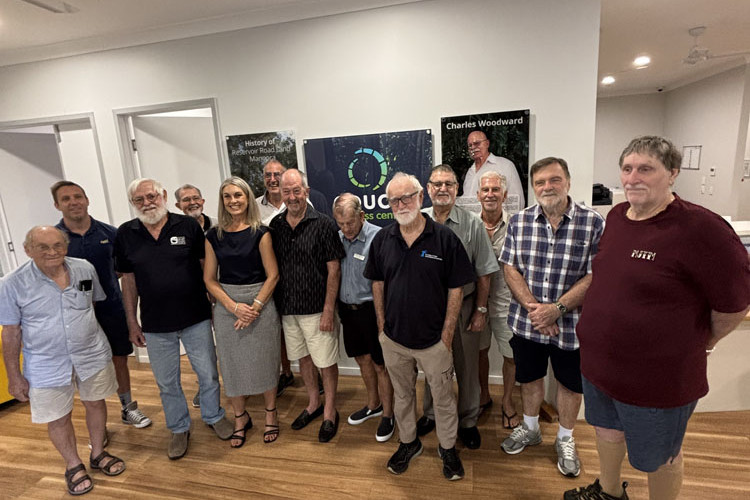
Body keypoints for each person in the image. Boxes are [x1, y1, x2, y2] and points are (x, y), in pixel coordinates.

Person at [565, 136, 750, 500]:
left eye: (646, 169)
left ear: (673, 174)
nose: (633, 178)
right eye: (627, 168)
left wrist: (701, 342)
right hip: (600, 367)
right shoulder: (617, 217)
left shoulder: (702, 229)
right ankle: (609, 491)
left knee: (659, 457)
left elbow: (733, 307)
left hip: (657, 379)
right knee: (606, 433)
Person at [364, 172, 475, 481]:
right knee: (402, 396)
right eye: (394, 199)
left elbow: (456, 288)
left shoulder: (444, 238)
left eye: (407, 197)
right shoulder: (383, 239)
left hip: (434, 341)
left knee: (443, 398)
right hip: (395, 339)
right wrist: (382, 327)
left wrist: (447, 334)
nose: (401, 204)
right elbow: (377, 282)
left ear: (420, 198)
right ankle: (408, 443)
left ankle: (448, 448)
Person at [0, 226, 126, 496]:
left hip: (91, 352)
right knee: (57, 416)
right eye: (43, 247)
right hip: (46, 362)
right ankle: (73, 464)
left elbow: (90, 304)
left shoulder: (84, 269)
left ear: (66, 246)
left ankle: (98, 452)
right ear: (27, 250)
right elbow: (10, 332)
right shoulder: (12, 283)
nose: (52, 251)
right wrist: (14, 375)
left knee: (96, 402)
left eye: (58, 245)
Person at [499, 157, 604, 478]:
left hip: (572, 326)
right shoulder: (519, 221)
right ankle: (530, 429)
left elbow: (596, 274)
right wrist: (536, 309)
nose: (547, 187)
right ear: (534, 187)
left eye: (554, 180)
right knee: (529, 378)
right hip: (528, 323)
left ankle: (565, 438)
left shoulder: (593, 222)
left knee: (570, 385)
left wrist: (556, 309)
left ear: (568, 182)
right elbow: (510, 267)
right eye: (540, 182)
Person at [114, 178, 233, 460]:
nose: (147, 203)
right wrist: (132, 322)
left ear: (163, 195)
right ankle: (179, 428)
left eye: (152, 196)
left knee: (208, 374)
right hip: (155, 325)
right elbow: (128, 282)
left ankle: (214, 415)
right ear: (133, 204)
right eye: (140, 200)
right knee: (167, 382)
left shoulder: (188, 226)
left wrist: (215, 307)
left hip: (196, 316)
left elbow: (207, 270)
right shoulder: (126, 234)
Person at [52, 181, 152, 430]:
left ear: (87, 200)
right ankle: (97, 425)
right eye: (66, 199)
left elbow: (123, 270)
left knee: (119, 358)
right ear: (57, 205)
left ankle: (128, 408)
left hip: (111, 308)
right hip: (74, 315)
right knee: (84, 367)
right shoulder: (55, 239)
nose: (73, 202)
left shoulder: (111, 233)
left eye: (78, 196)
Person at [416, 165, 499, 450]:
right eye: (436, 184)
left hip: (464, 308)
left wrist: (480, 311)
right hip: (428, 310)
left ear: (457, 189)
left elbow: (485, 272)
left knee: (467, 368)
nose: (442, 189)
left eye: (448, 184)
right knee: (431, 366)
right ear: (427, 189)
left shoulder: (472, 224)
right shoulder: (417, 221)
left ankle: (467, 421)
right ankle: (429, 413)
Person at [203, 177, 281, 448]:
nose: (233, 200)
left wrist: (255, 308)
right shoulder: (213, 235)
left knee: (267, 362)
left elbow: (273, 275)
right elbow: (210, 279)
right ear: (222, 201)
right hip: (227, 306)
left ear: (248, 198)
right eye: (227, 196)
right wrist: (234, 307)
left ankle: (271, 414)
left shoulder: (262, 232)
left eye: (238, 195)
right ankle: (240, 417)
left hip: (261, 302)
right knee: (231, 366)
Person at [269, 169, 345, 443]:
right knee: (303, 359)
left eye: (296, 191)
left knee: (326, 362)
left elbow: (334, 270)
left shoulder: (324, 224)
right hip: (288, 309)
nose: (291, 197)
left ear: (307, 192)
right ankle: (313, 403)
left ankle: (328, 411)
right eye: (286, 192)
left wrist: (328, 309)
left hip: (317, 309)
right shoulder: (275, 226)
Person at [256, 159, 324, 396]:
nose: (272, 179)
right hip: (279, 292)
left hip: (311, 297)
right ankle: (294, 381)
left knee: (320, 353)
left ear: (304, 191)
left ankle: (320, 391)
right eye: (268, 175)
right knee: (290, 345)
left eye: (277, 174)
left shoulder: (314, 214)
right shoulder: (260, 212)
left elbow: (329, 266)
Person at [332, 193, 395, 442]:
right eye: (341, 224)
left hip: (373, 310)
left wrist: (383, 319)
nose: (346, 229)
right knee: (361, 359)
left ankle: (389, 414)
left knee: (381, 364)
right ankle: (373, 404)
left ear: (361, 215)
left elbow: (386, 279)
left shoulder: (378, 237)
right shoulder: (337, 238)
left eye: (350, 223)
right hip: (348, 310)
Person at [475, 172, 520, 429]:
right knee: (480, 353)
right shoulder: (470, 224)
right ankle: (483, 396)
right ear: (478, 195)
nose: (490, 194)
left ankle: (508, 402)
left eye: (495, 190)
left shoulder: (517, 225)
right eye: (485, 190)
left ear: (504, 195)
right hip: (477, 305)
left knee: (510, 357)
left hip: (507, 304)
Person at [174, 183, 214, 409]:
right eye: (186, 200)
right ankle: (204, 386)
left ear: (203, 200)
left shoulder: (218, 225)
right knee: (200, 350)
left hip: (222, 292)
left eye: (196, 198)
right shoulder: (176, 230)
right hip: (194, 297)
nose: (192, 203)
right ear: (178, 205)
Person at [461, 130, 525, 212]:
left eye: (477, 143)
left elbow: (517, 201)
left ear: (487, 144)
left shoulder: (505, 165)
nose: (473, 147)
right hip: (472, 224)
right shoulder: (470, 172)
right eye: (470, 145)